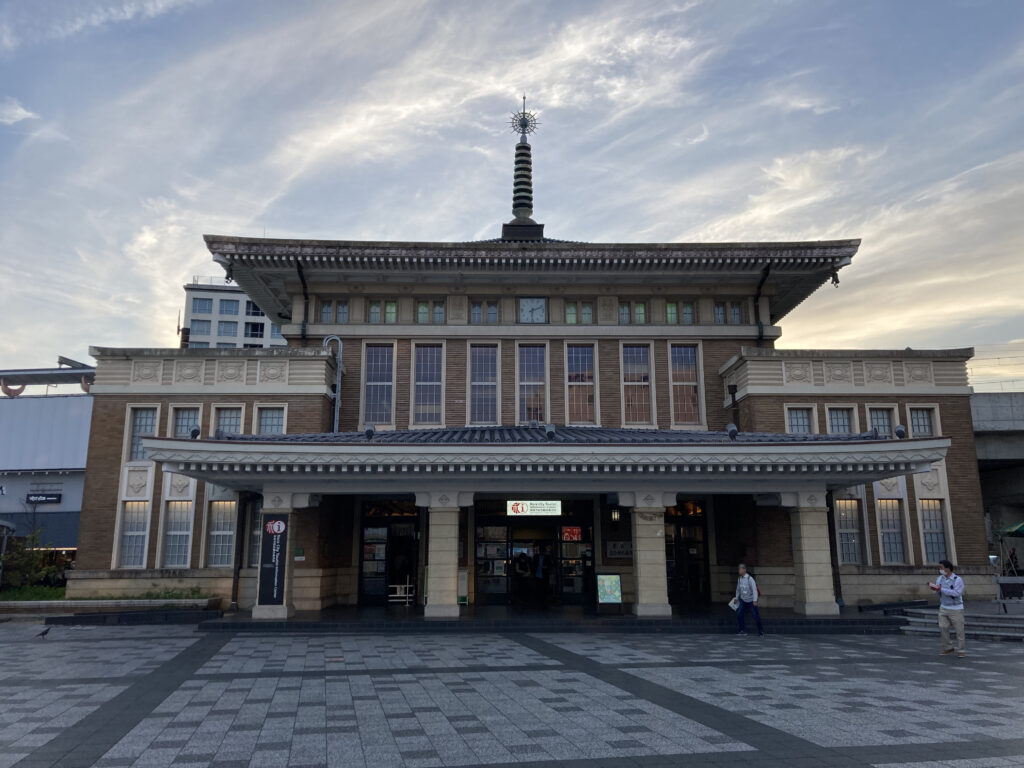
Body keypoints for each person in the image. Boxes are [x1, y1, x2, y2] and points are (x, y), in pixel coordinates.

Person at [929, 559, 966, 657]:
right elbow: (938, 592)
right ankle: (948, 648)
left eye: (941, 567)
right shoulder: (940, 579)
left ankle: (961, 650)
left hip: (956, 608)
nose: (940, 570)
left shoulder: (957, 579)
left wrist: (942, 589)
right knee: (943, 627)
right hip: (944, 607)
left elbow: (957, 593)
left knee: (959, 630)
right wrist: (935, 589)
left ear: (948, 568)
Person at [734, 563, 764, 636]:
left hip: (751, 601)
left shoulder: (750, 579)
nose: (738, 570)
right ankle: (743, 630)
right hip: (743, 600)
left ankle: (761, 631)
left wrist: (755, 600)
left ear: (744, 570)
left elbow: (754, 590)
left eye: (740, 569)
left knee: (755, 616)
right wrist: (736, 598)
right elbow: (738, 589)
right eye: (738, 569)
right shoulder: (739, 579)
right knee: (739, 614)